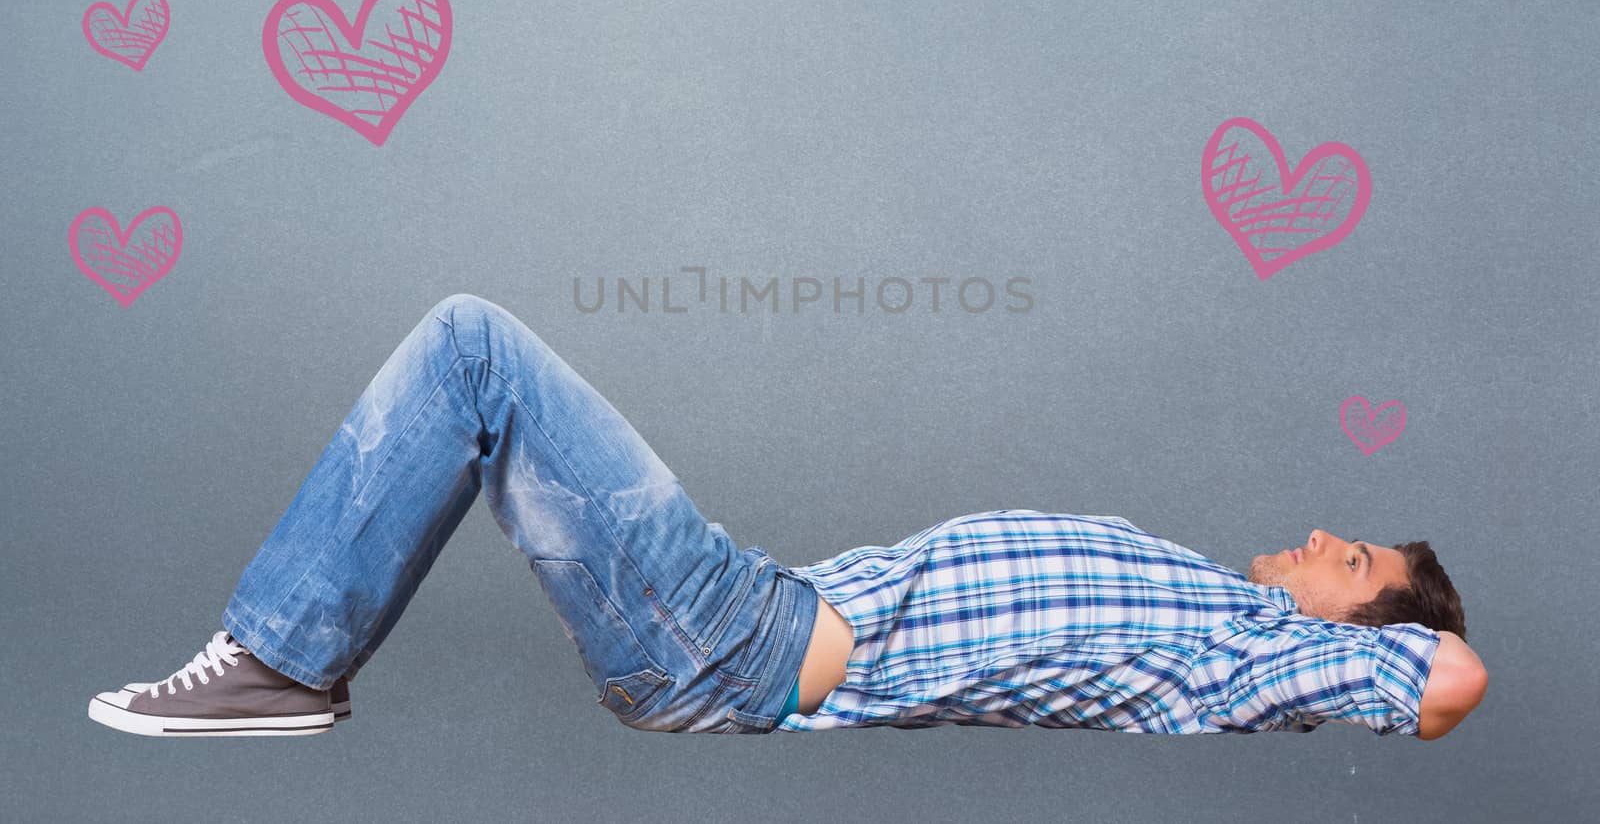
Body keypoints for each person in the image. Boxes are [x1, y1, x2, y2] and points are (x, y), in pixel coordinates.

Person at [87, 294, 1487, 739]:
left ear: (1365, 628)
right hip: (734, 614)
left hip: (740, 643)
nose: (1321, 536)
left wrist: (1399, 638)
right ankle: (289, 655)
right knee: (484, 397)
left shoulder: (1264, 658)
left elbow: (1453, 679)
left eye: (1351, 560)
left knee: (472, 345)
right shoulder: (1200, 596)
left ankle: (280, 661)